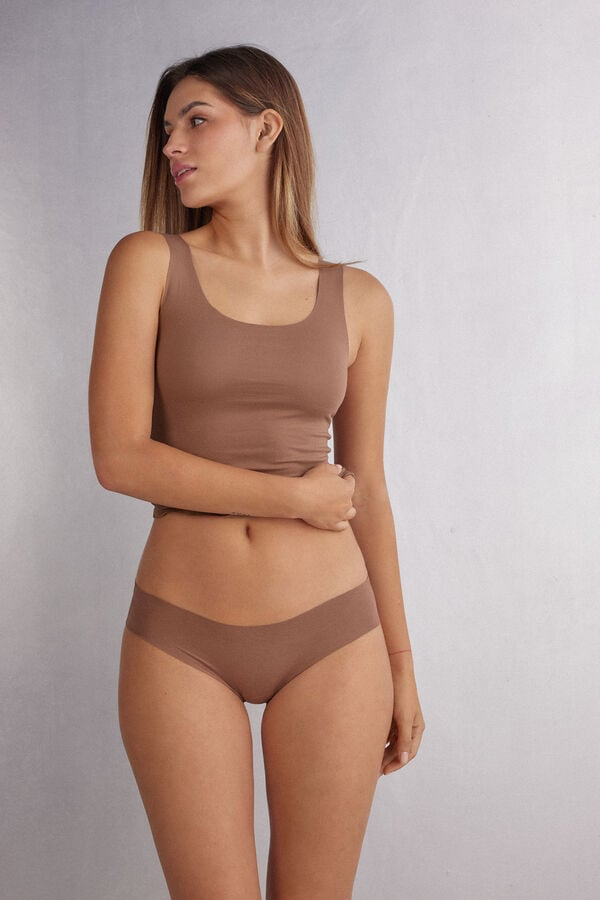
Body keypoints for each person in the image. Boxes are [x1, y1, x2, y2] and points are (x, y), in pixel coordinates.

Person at [88, 44, 425, 900]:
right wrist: (293, 496)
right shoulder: (148, 261)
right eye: (167, 128)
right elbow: (119, 457)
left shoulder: (361, 300)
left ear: (267, 128)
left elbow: (369, 489)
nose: (172, 145)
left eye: (196, 120)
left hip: (335, 638)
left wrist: (400, 660)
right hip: (181, 635)